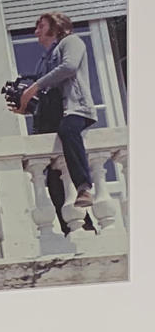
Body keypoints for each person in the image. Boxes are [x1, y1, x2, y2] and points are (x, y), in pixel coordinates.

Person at [18, 12, 99, 214]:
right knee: (54, 177)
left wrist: (34, 87)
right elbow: (48, 94)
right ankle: (72, 225)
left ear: (57, 26)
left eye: (41, 26)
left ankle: (84, 187)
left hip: (76, 108)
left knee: (69, 129)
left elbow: (69, 66)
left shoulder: (72, 41)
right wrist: (26, 106)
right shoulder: (43, 60)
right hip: (56, 115)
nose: (36, 31)